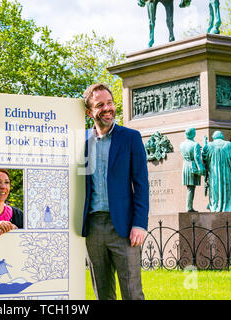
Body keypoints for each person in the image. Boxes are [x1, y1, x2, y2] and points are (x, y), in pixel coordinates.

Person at [81, 83, 149, 300]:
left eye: (110, 103)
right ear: (89, 112)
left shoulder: (130, 138)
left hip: (124, 227)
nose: (107, 108)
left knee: (132, 293)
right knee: (102, 294)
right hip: (93, 227)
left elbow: (141, 184)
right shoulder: (80, 141)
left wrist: (139, 223)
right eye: (100, 105)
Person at [202, 131, 231, 212]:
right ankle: (228, 206)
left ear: (213, 137)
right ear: (222, 136)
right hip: (227, 172)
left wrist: (204, 143)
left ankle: (215, 206)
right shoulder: (228, 144)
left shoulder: (210, 145)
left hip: (214, 172)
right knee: (227, 188)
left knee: (215, 189)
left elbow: (204, 157)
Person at [179, 128, 205, 212]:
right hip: (192, 166)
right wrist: (200, 168)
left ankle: (189, 206)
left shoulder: (182, 144)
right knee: (191, 188)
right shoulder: (195, 144)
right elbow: (197, 157)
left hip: (185, 166)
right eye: (195, 132)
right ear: (192, 134)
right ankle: (189, 207)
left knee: (189, 187)